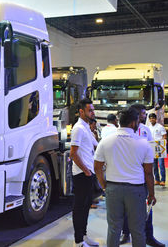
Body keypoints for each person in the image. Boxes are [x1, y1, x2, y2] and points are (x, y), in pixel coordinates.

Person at [94, 108, 156, 247]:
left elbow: (97, 167)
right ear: (134, 123)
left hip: (113, 188)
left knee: (114, 228)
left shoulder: (106, 141)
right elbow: (148, 173)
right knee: (138, 230)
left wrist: (104, 186)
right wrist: (151, 194)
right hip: (136, 191)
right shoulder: (143, 143)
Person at [120, 104, 165, 247]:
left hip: (145, 174)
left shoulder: (146, 130)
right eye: (143, 113)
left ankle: (149, 236)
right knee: (126, 207)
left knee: (148, 205)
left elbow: (152, 150)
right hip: (129, 174)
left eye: (146, 113)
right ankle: (126, 233)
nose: (145, 116)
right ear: (135, 114)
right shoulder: (125, 131)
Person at [70, 98, 99, 247]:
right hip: (82, 174)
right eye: (90, 110)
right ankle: (78, 241)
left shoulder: (87, 127)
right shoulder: (78, 128)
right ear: (81, 112)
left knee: (87, 205)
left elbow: (96, 146)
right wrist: (87, 171)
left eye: (93, 110)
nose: (93, 112)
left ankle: (84, 235)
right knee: (80, 207)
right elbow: (73, 154)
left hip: (89, 172)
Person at [148, 113, 167, 186]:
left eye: (153, 118)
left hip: (159, 147)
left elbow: (164, 136)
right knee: (154, 165)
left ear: (156, 119)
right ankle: (157, 179)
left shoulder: (160, 127)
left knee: (161, 164)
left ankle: (163, 180)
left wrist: (161, 144)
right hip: (152, 147)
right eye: (150, 118)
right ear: (149, 119)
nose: (152, 119)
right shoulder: (149, 127)